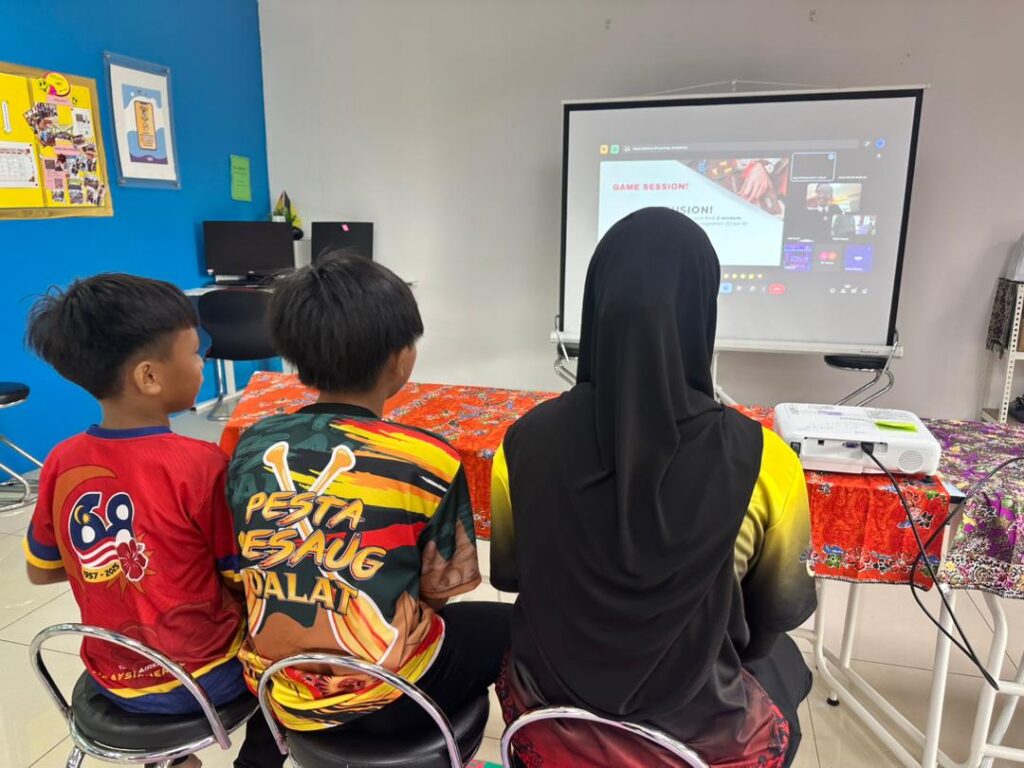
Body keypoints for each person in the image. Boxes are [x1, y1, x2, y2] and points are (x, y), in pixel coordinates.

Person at [490, 208, 816, 768]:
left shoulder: (519, 443)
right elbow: (777, 613)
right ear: (700, 311)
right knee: (787, 663)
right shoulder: (767, 461)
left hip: (549, 722)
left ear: (596, 306)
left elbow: (511, 575)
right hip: (703, 738)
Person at [227, 253, 510, 735]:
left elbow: (242, 565)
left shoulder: (252, 444)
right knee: (512, 626)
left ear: (297, 360)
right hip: (386, 694)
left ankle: (265, 746)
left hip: (275, 681)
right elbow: (440, 592)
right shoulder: (430, 459)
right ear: (401, 360)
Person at [22, 274, 281, 768]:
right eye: (194, 353)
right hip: (206, 678)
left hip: (111, 675)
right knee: (291, 635)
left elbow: (41, 569)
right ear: (149, 377)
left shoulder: (60, 461)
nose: (202, 362)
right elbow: (241, 577)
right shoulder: (201, 464)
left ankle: (169, 759)